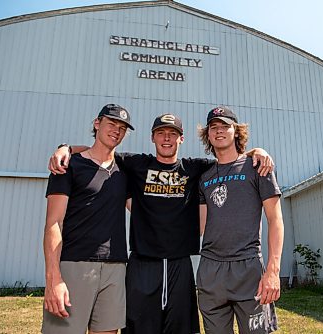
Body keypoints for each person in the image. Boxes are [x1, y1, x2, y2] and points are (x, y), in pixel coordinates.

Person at [48, 113, 274, 334]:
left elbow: (229, 159)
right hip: (142, 262)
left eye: (172, 133)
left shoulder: (196, 168)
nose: (167, 138)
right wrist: (66, 148)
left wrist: (257, 151)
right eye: (161, 133)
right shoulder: (135, 164)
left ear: (181, 139)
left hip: (180, 263)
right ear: (152, 137)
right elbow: (100, 152)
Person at [42, 104, 133, 334]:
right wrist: (54, 279)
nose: (116, 130)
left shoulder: (124, 169)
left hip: (115, 266)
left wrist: (67, 147)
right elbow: (54, 222)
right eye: (111, 124)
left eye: (122, 127)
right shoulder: (69, 165)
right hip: (75, 265)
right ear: (97, 123)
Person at [197, 106, 284, 334]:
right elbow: (201, 226)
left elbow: (275, 220)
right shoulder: (204, 176)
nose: (219, 131)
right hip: (211, 272)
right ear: (208, 135)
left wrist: (273, 272)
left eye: (225, 126)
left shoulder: (258, 167)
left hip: (248, 269)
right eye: (213, 127)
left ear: (236, 131)